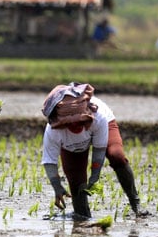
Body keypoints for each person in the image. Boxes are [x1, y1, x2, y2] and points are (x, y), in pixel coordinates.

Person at [41, 82, 149, 219]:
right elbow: (49, 161)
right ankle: (82, 214)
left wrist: (95, 174)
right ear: (59, 122)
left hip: (101, 127)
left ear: (86, 115)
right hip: (71, 146)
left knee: (117, 155)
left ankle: (136, 203)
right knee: (76, 182)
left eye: (79, 121)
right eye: (68, 123)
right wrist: (57, 187)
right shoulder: (53, 130)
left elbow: (99, 149)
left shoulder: (98, 118)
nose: (74, 125)